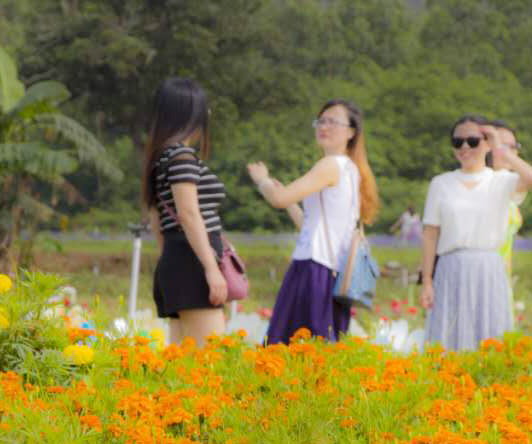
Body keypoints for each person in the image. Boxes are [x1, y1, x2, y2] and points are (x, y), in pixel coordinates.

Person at [248, 99, 379, 345]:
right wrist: (289, 202)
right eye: (321, 120)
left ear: (351, 132)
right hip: (331, 273)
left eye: (333, 121)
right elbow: (310, 225)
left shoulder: (330, 165)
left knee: (291, 349)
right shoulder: (351, 170)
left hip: (313, 269)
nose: (324, 126)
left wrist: (262, 180)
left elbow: (277, 198)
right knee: (319, 353)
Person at [420, 115, 532, 351]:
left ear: (485, 144)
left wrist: (501, 150)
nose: (465, 147)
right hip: (450, 266)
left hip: (488, 267)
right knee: (448, 336)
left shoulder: (500, 180)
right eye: (458, 142)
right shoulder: (441, 183)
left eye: (473, 141)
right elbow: (430, 234)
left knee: (489, 334)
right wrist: (427, 281)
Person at [143, 78, 228, 346]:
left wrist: (169, 260)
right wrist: (211, 269)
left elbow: (156, 218)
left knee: (183, 364)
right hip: (193, 261)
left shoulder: (161, 158)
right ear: (191, 114)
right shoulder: (182, 157)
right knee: (209, 361)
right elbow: (189, 213)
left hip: (176, 256)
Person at [489, 120, 527, 324]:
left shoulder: (507, 182)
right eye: (503, 145)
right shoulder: (478, 182)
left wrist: (506, 154)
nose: (509, 152)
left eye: (514, 147)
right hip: (479, 271)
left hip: (502, 273)